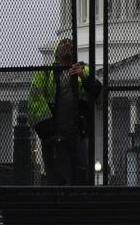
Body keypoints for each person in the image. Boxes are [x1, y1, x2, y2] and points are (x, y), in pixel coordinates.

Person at [29, 39, 101, 185]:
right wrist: (49, 132)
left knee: (81, 177)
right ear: (56, 52)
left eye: (71, 43)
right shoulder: (45, 73)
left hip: (78, 134)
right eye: (63, 43)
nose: (68, 44)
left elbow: (99, 95)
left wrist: (83, 77)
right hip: (54, 135)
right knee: (56, 178)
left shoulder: (85, 70)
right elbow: (35, 101)